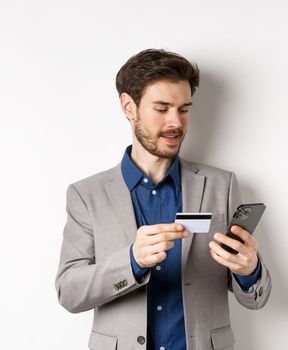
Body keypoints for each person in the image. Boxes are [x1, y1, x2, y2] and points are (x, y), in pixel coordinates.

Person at [54, 49, 271, 350]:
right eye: (162, 108)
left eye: (184, 109)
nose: (176, 123)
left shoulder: (222, 185)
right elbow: (69, 292)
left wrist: (249, 270)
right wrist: (132, 261)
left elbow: (256, 297)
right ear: (129, 107)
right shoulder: (86, 195)